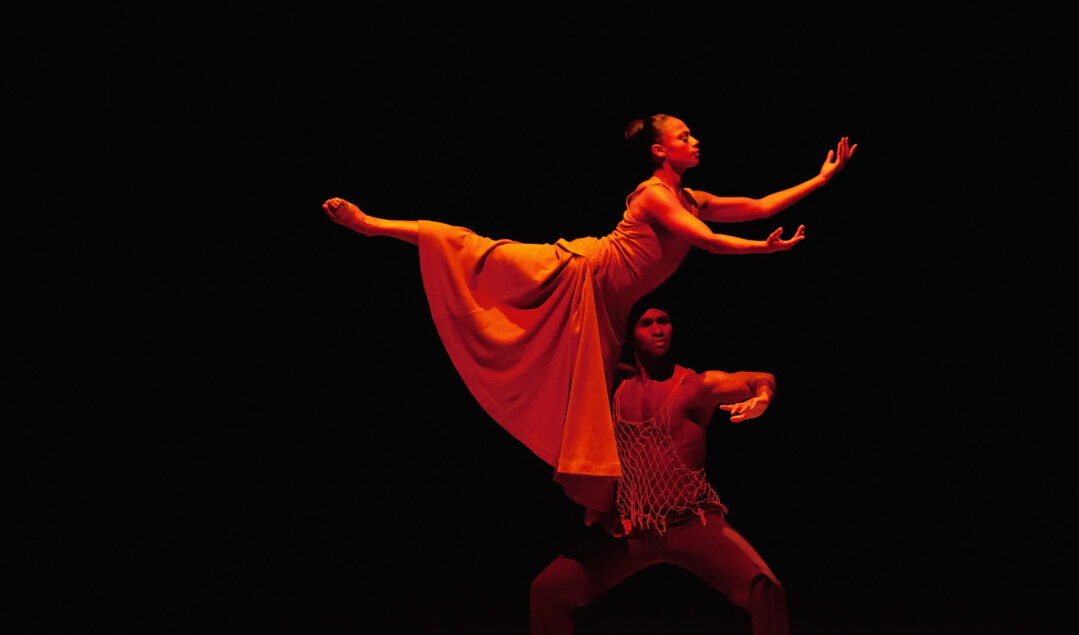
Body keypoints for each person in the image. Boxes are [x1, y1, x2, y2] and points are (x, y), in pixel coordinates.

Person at [323, 116, 853, 516]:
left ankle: (605, 512)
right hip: (578, 271)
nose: (694, 141)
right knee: (472, 248)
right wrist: (765, 251)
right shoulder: (653, 195)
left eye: (693, 135)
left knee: (591, 409)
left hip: (605, 306)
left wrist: (820, 180)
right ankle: (371, 224)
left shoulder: (690, 196)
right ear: (658, 149)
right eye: (683, 135)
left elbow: (759, 205)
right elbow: (710, 244)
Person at [518, 304, 811, 635]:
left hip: (693, 520)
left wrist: (763, 394)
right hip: (632, 528)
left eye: (665, 321)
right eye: (647, 323)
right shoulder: (609, 385)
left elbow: (754, 378)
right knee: (547, 590)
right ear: (629, 334)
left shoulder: (695, 386)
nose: (658, 330)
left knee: (766, 586)